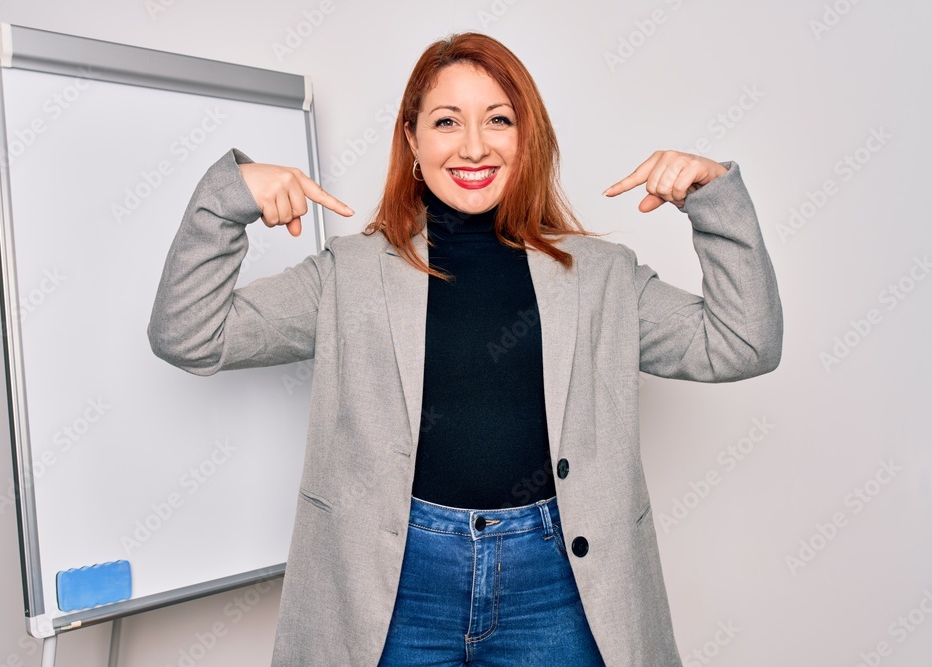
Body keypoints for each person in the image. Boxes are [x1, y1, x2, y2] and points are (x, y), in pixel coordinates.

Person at [148, 32, 782, 667]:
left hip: (556, 581)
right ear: (412, 140)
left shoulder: (603, 275)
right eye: (447, 121)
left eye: (498, 120)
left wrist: (713, 198)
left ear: (525, 138)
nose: (474, 145)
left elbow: (742, 343)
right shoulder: (347, 274)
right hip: (396, 580)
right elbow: (190, 333)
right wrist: (225, 204)